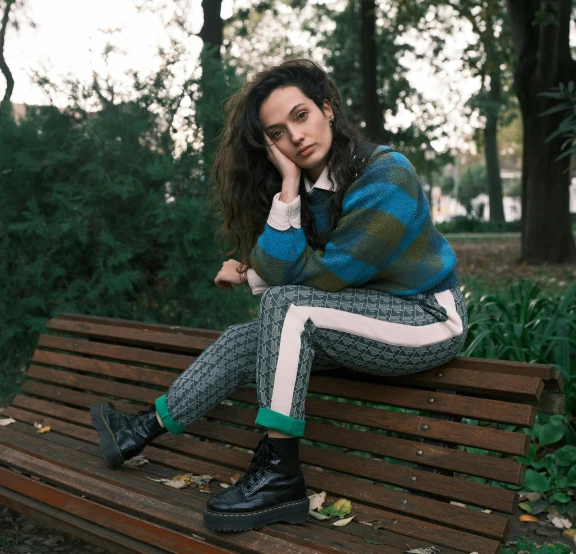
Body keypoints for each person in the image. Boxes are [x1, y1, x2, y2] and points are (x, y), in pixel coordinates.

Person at [90, 58, 467, 533]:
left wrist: (255, 278)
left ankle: (280, 476)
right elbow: (285, 270)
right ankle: (139, 430)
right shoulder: (307, 190)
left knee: (285, 308)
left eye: (301, 114)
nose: (296, 136)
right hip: (362, 321)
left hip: (426, 318)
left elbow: (326, 277)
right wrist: (288, 189)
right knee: (246, 338)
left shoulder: (386, 176)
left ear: (327, 109)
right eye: (278, 132)